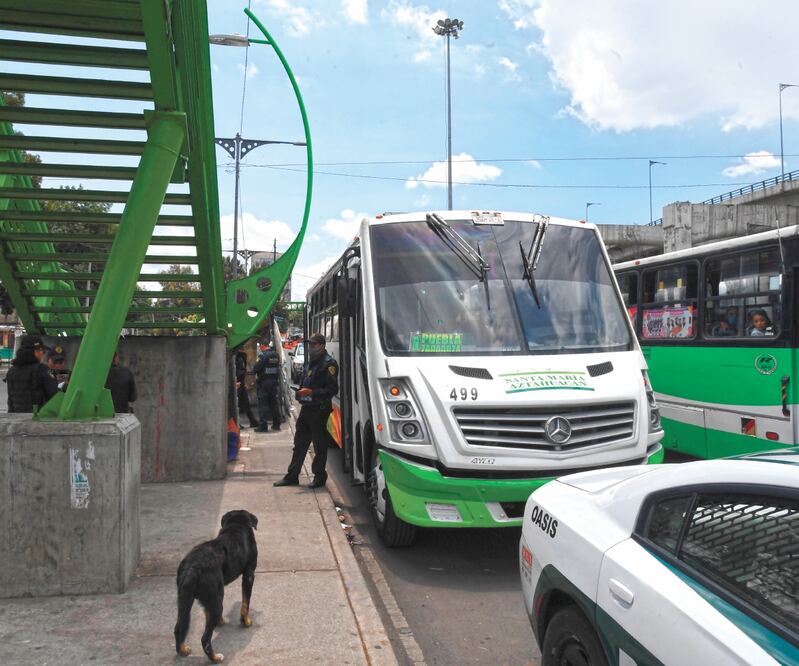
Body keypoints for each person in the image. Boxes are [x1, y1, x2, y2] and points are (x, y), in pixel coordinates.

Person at [274, 333, 339, 489]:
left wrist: (311, 392)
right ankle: (292, 476)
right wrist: (300, 393)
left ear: (322, 345)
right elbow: (306, 382)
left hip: (319, 409)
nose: (311, 347)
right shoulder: (311, 363)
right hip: (307, 409)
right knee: (299, 443)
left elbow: (332, 389)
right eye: (310, 344)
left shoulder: (328, 364)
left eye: (314, 345)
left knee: (319, 446)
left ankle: (319, 477)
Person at [5, 335, 56, 412]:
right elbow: (54, 393)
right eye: (42, 351)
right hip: (37, 417)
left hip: (16, 418)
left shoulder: (11, 371)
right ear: (35, 352)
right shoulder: (43, 369)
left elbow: (10, 400)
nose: (43, 354)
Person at [252, 339, 281, 432]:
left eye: (260, 346)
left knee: (263, 404)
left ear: (262, 345)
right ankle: (277, 424)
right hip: (274, 383)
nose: (260, 348)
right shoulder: (276, 355)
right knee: (274, 403)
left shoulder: (263, 356)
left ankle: (263, 426)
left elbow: (255, 368)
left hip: (264, 383)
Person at [235, 349, 259, 429]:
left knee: (246, 403)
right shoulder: (236, 357)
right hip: (237, 383)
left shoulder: (241, 356)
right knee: (236, 404)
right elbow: (237, 371)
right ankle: (237, 423)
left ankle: (253, 421)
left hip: (240, 383)